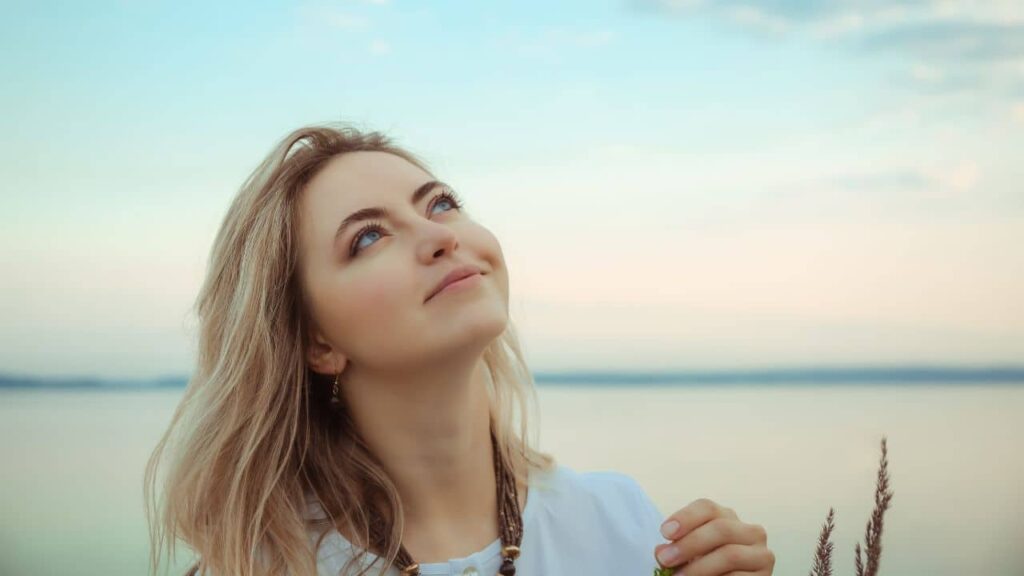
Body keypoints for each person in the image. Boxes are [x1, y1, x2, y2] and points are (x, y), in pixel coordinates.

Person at [144, 122, 772, 576]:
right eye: (368, 237)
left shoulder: (625, 524)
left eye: (440, 204)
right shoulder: (263, 570)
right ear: (317, 341)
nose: (438, 235)